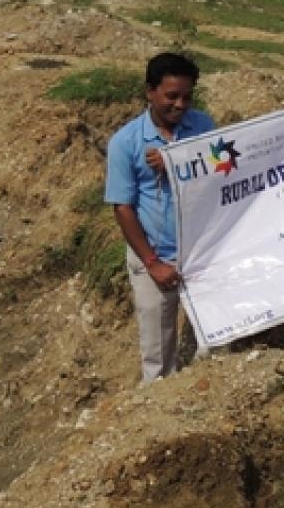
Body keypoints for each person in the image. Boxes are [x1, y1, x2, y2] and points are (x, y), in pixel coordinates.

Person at [105, 53, 215, 383]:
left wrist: (177, 164)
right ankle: (158, 419)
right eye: (171, 96)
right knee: (157, 355)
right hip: (153, 257)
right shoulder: (126, 143)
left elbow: (222, 173)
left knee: (212, 341)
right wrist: (153, 263)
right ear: (150, 92)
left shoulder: (204, 127)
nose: (180, 105)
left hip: (199, 253)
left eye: (187, 96)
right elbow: (123, 207)